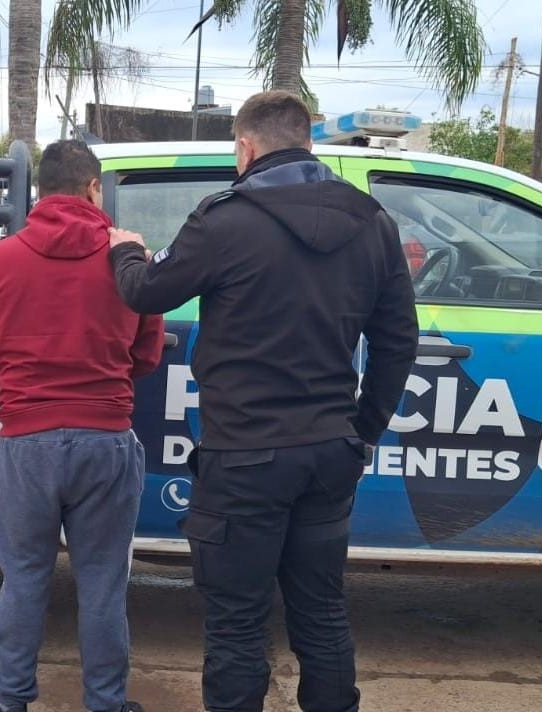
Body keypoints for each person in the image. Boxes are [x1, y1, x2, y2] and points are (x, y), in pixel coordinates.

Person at [108, 91, 419, 712]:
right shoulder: (375, 223)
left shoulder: (224, 218)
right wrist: (362, 431)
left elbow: (145, 291)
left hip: (244, 457)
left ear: (246, 148)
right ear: (307, 143)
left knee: (237, 624)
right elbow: (398, 342)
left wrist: (124, 248)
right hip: (329, 453)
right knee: (323, 613)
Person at [0, 139, 164, 712]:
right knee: (103, 582)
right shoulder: (128, 260)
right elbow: (146, 356)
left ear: (39, 192)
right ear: (93, 188)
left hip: (26, 442)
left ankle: (9, 701)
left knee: (24, 578)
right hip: (106, 440)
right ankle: (106, 702)